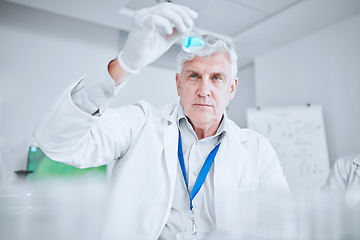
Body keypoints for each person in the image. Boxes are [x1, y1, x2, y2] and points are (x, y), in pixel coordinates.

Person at [34, 3, 290, 239]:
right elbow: (56, 141)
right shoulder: (140, 124)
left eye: (216, 78)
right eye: (193, 76)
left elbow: (281, 227)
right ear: (178, 84)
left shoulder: (258, 150)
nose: (204, 90)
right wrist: (125, 64)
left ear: (232, 88)